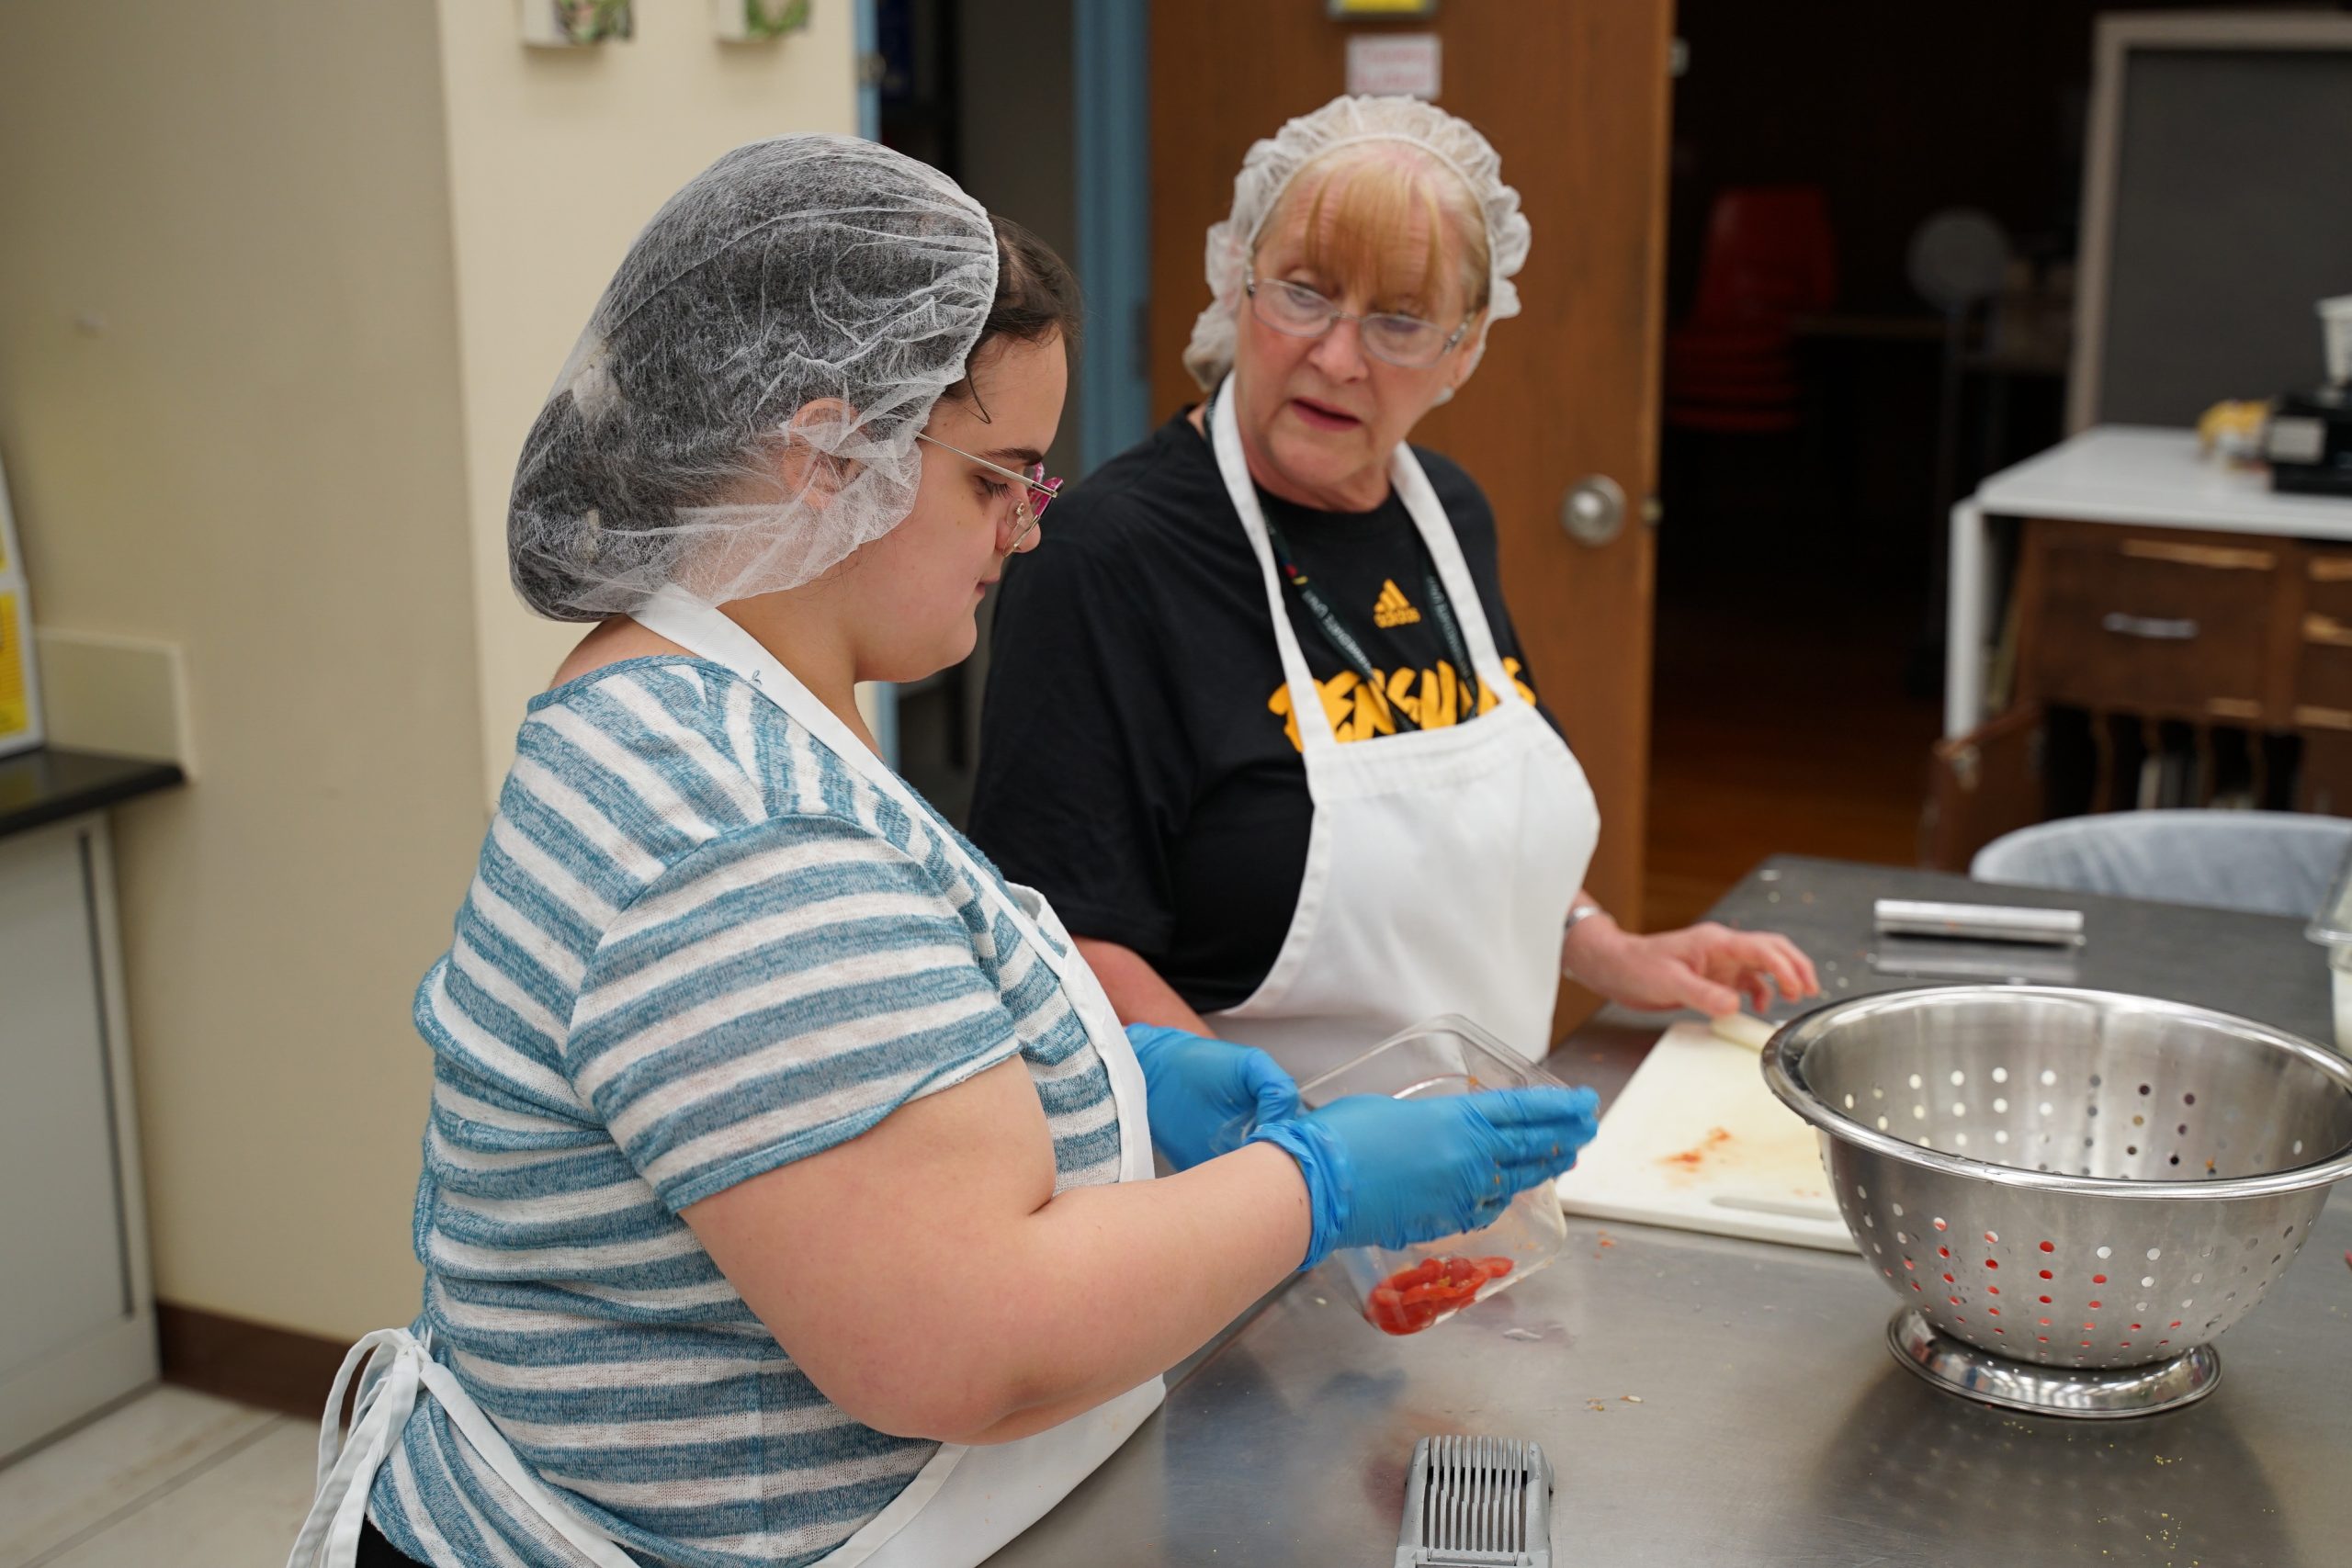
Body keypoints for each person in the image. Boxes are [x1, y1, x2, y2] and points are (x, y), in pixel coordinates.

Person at [283, 137, 1601, 1568]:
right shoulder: (718, 814)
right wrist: (1314, 1185)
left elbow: (849, 1062)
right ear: (821, 451)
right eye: (1000, 480)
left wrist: (1126, 1083)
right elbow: (970, 1343)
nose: (1027, 531)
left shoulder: (733, 695)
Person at [970, 96, 1819, 1082]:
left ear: (1464, 349)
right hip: (1232, 1196)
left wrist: (1607, 948)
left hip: (1479, 1171)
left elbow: (1473, 834)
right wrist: (1299, 1162)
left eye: (1401, 320)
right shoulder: (1106, 556)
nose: (1338, 357)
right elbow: (1066, 939)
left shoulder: (1447, 517)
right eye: (1302, 292)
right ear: (1236, 282)